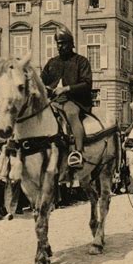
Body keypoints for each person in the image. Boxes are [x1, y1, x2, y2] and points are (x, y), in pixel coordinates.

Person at [41, 25, 92, 168]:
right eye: (58, 43)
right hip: (54, 101)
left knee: (71, 113)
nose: (59, 46)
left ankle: (78, 152)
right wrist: (44, 88)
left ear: (70, 44)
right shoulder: (52, 63)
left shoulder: (81, 61)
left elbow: (87, 84)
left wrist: (66, 89)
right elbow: (41, 81)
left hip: (74, 101)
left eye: (63, 43)